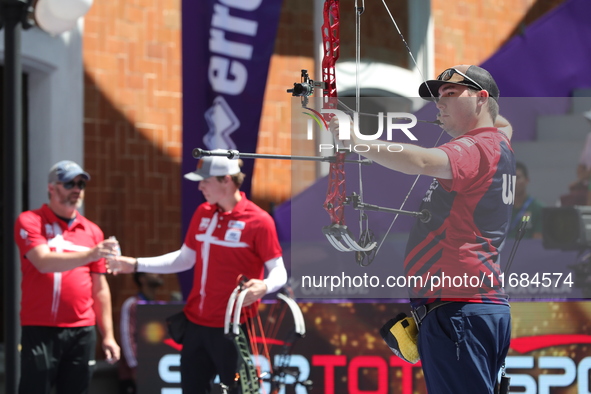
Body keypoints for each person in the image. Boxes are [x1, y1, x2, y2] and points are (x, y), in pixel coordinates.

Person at [331, 65, 513, 393]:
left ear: (481, 98)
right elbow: (503, 122)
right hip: (478, 306)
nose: (439, 103)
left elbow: (424, 162)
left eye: (451, 94)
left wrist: (356, 141)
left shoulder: (475, 148)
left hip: (457, 310)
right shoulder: (499, 143)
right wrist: (465, 114)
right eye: (438, 96)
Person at [107, 152, 288, 393]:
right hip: (195, 325)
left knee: (238, 391)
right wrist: (136, 264)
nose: (200, 186)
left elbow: (279, 271)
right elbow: (185, 258)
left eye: (206, 180)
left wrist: (264, 286)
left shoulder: (259, 221)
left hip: (234, 328)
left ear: (227, 180)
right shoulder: (203, 212)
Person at [14, 160, 121, 394]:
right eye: (69, 183)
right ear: (52, 188)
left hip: (81, 330)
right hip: (40, 328)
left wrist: (108, 336)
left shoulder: (93, 231)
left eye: (81, 184)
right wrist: (91, 254)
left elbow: (100, 288)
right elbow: (42, 262)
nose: (77, 189)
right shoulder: (30, 221)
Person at [118, 272, 164, 394]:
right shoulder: (131, 304)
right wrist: (135, 366)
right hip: (134, 374)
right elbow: (126, 337)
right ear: (142, 279)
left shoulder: (160, 305)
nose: (159, 274)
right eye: (153, 272)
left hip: (156, 372)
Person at [508, 161, 544, 239]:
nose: (514, 182)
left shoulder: (538, 208)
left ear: (527, 180)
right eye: (511, 178)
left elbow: (538, 241)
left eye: (517, 178)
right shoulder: (501, 208)